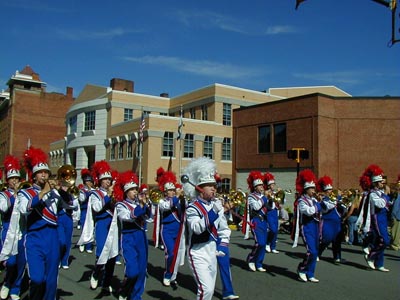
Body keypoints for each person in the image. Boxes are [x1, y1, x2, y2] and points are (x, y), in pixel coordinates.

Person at [17, 146, 64, 299]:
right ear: (34, 176)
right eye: (41, 173)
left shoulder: (55, 192)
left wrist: (62, 190)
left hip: (52, 237)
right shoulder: (25, 193)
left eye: (46, 173)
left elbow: (72, 205)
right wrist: (43, 192)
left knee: (51, 280)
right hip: (35, 237)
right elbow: (24, 209)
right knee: (37, 278)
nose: (44, 175)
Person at [183, 156, 223, 300]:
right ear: (200, 189)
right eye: (209, 185)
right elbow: (197, 228)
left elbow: (223, 228)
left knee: (210, 291)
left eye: (214, 185)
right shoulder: (192, 208)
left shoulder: (215, 204)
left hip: (212, 252)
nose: (214, 187)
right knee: (205, 290)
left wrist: (223, 245)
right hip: (198, 253)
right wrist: (213, 212)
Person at [114, 171, 151, 300]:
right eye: (132, 190)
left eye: (136, 189)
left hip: (141, 237)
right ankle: (125, 288)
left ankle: (136, 296)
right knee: (132, 271)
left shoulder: (138, 203)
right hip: (128, 238)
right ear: (126, 192)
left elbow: (148, 218)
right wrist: (141, 206)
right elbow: (126, 217)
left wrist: (146, 205)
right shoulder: (120, 205)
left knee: (141, 271)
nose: (135, 192)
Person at [88, 160, 117, 293]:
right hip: (102, 224)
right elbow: (96, 207)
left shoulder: (114, 192)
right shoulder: (95, 194)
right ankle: (96, 273)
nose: (107, 182)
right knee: (101, 252)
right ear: (99, 181)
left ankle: (106, 282)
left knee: (112, 255)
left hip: (114, 225)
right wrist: (108, 197)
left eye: (109, 179)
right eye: (105, 180)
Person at [0, 155, 26, 300]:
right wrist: (15, 195)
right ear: (7, 181)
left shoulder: (24, 193)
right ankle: (7, 282)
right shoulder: (3, 195)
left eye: (17, 178)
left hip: (22, 231)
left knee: (21, 261)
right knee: (10, 261)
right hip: (8, 231)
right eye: (12, 179)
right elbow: (3, 208)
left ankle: (16, 287)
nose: (15, 181)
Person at [157, 169, 186, 286]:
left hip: (178, 230)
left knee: (178, 254)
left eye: (174, 190)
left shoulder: (178, 200)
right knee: (170, 253)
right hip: (167, 230)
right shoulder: (161, 201)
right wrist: (177, 198)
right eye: (170, 191)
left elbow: (185, 209)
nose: (173, 192)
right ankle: (167, 274)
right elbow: (168, 206)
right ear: (165, 192)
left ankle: (173, 274)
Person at [292, 169, 321, 283]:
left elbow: (323, 209)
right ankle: (302, 269)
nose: (314, 190)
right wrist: (319, 204)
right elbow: (309, 211)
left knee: (316, 251)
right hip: (307, 227)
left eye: (314, 188)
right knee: (311, 251)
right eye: (312, 188)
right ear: (306, 189)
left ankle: (310, 273)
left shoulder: (314, 199)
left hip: (315, 226)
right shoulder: (301, 201)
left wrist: (323, 202)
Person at [362, 165, 391, 272]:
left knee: (379, 240)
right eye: (380, 182)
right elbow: (380, 204)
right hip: (377, 218)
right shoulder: (373, 194)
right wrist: (386, 195)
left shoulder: (380, 193)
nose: (382, 184)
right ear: (375, 183)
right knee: (384, 240)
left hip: (383, 218)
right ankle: (371, 256)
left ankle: (379, 264)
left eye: (382, 182)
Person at [216, 196, 239, 300]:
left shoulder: (220, 201)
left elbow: (227, 223)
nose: (213, 189)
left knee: (225, 265)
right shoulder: (205, 203)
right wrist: (223, 209)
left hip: (221, 238)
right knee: (207, 269)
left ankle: (228, 292)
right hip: (207, 240)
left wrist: (227, 210)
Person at [57, 165, 79, 270]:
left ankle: (65, 260)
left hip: (68, 218)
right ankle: (57, 258)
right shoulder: (57, 192)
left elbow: (75, 207)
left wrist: (72, 196)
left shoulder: (72, 192)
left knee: (67, 240)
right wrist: (60, 190)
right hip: (59, 217)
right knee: (61, 240)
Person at [317, 176, 343, 264]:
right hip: (327, 221)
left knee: (337, 240)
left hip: (336, 221)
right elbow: (327, 208)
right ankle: (318, 253)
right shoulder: (323, 200)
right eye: (328, 190)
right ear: (324, 192)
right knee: (326, 239)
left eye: (331, 190)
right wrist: (323, 201)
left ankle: (337, 257)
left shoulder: (335, 198)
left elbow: (345, 207)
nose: (330, 191)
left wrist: (342, 203)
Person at [245, 171, 268, 272]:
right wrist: (265, 197)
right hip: (256, 221)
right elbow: (256, 206)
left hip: (264, 221)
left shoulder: (264, 197)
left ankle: (259, 263)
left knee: (264, 244)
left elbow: (271, 208)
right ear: (255, 187)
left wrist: (271, 201)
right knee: (260, 243)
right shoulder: (251, 197)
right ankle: (251, 259)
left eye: (262, 185)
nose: (262, 187)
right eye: (259, 185)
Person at [78, 168, 95, 253]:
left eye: (90, 181)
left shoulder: (94, 190)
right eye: (87, 181)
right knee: (84, 227)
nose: (89, 183)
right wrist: (88, 192)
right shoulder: (82, 191)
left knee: (91, 227)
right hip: (84, 211)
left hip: (91, 211)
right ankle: (82, 243)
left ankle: (89, 245)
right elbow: (82, 199)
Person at [263, 172, 280, 254]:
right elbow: (266, 203)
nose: (274, 186)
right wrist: (269, 196)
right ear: (269, 185)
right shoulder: (266, 192)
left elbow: (281, 201)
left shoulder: (276, 193)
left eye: (274, 184)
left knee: (276, 230)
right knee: (272, 230)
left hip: (275, 212)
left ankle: (273, 246)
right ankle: (267, 243)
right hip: (269, 212)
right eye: (272, 184)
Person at [390, 174, 400, 251]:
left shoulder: (398, 196)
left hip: (397, 216)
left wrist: (393, 216)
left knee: (395, 232)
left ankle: (395, 245)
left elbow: (395, 207)